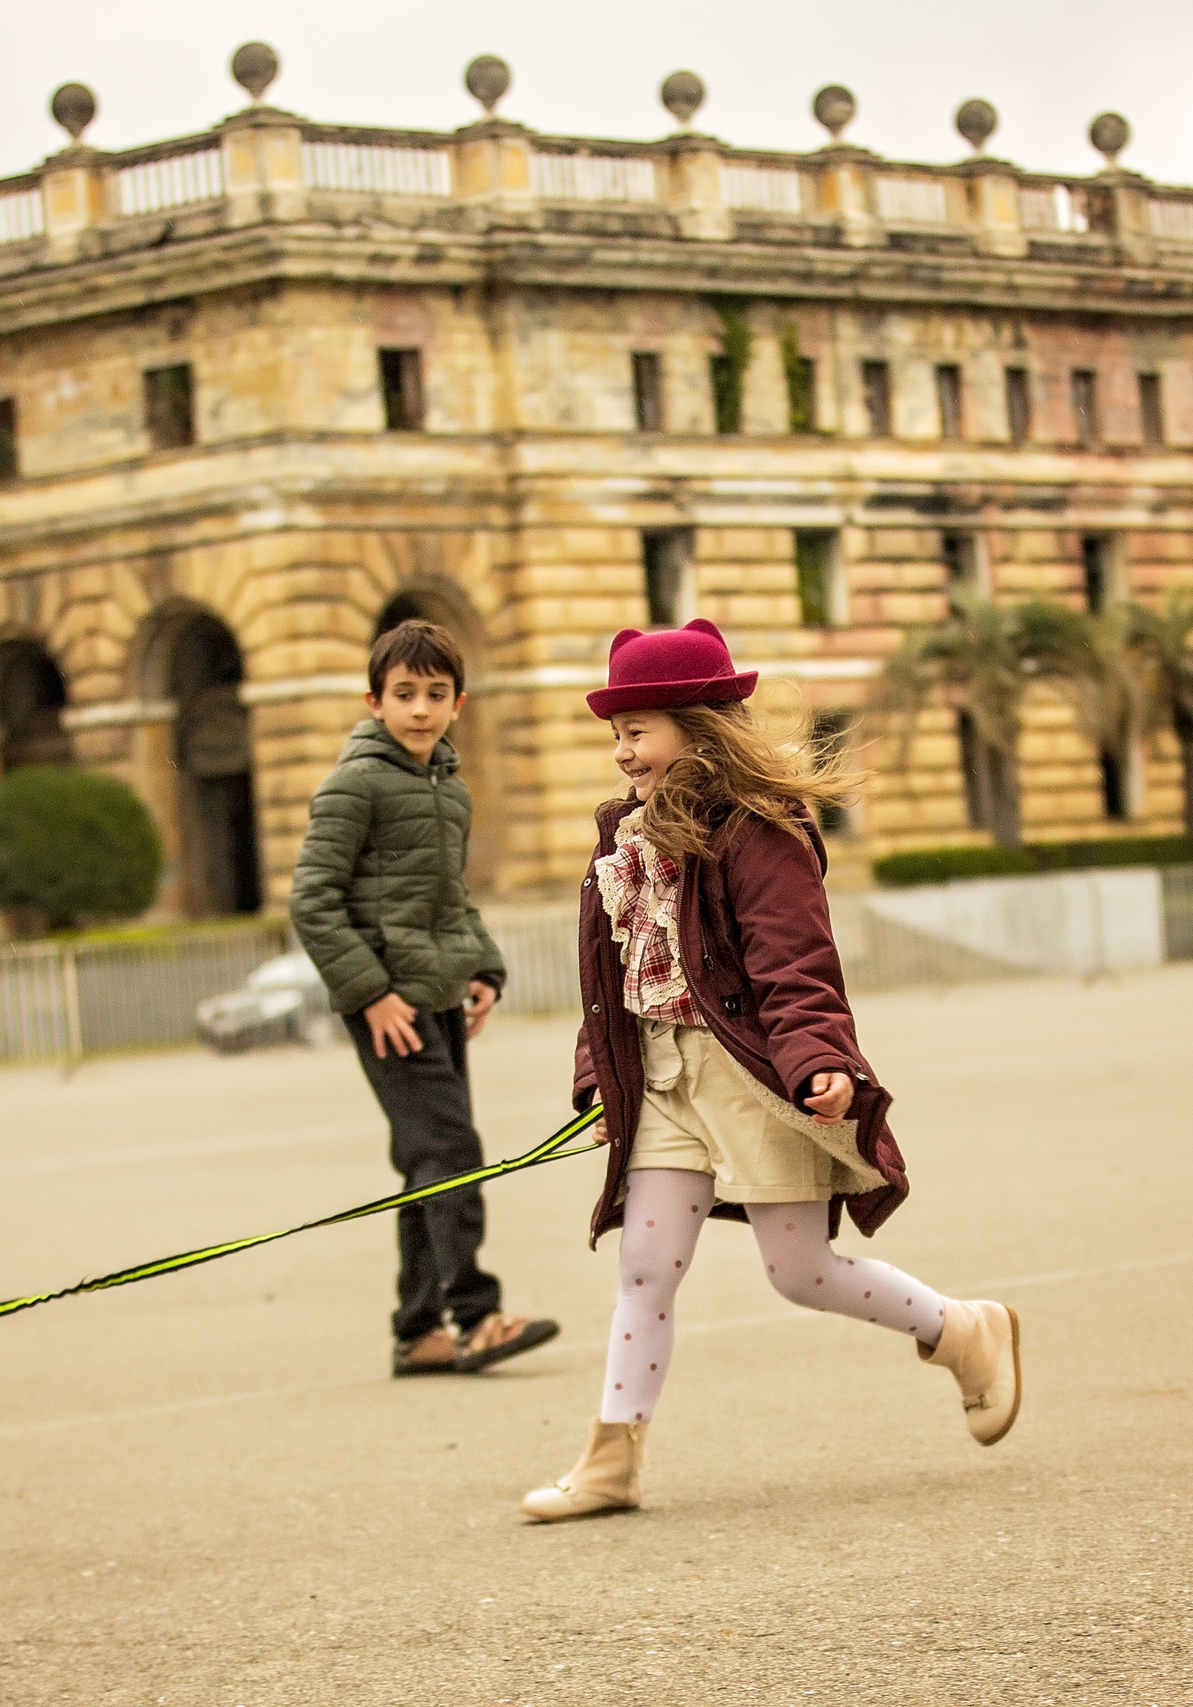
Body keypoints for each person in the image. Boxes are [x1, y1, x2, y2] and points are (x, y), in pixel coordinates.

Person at [520, 618, 1020, 1522]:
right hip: (664, 1075)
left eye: (638, 730)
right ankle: (610, 1459)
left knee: (798, 1269)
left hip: (752, 1071)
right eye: (617, 735)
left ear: (697, 726)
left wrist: (821, 1059)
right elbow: (605, 977)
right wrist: (600, 1080)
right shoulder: (621, 838)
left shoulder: (761, 831)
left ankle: (962, 1329)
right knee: (646, 1262)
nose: (624, 751)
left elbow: (797, 962)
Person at [291, 619, 559, 1378]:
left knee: (425, 1162)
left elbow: (451, 897)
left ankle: (418, 1331)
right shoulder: (354, 783)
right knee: (450, 1151)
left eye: (434, 694)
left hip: (437, 993)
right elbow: (313, 901)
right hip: (390, 1006)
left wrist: (484, 970)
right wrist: (371, 994)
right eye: (404, 693)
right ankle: (475, 1315)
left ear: (458, 702)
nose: (419, 708)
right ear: (373, 700)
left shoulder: (448, 785)